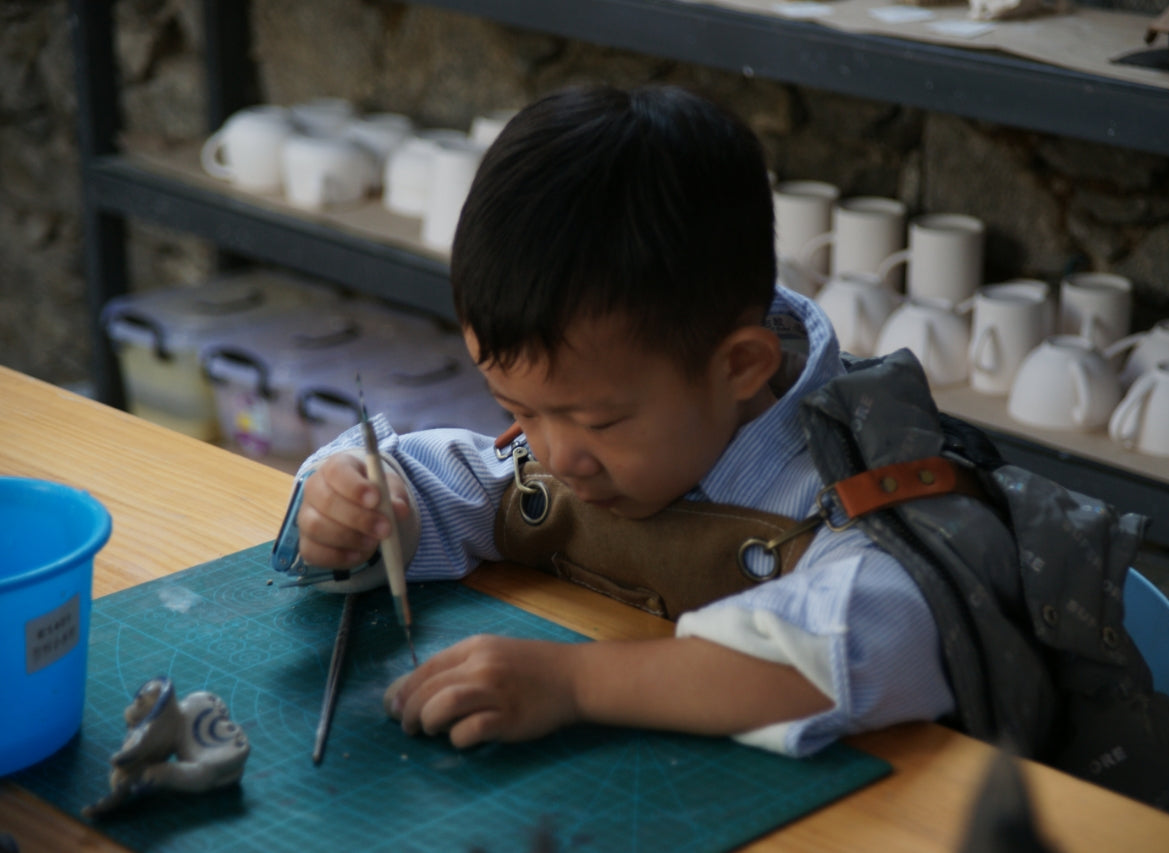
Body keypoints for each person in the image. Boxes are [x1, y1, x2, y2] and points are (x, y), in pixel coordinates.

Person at [283, 83, 954, 756]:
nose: (556, 457)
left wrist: (573, 683)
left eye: (599, 423)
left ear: (740, 367)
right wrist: (363, 509)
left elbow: (857, 645)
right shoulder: (584, 424)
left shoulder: (847, 492)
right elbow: (442, 483)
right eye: (516, 410)